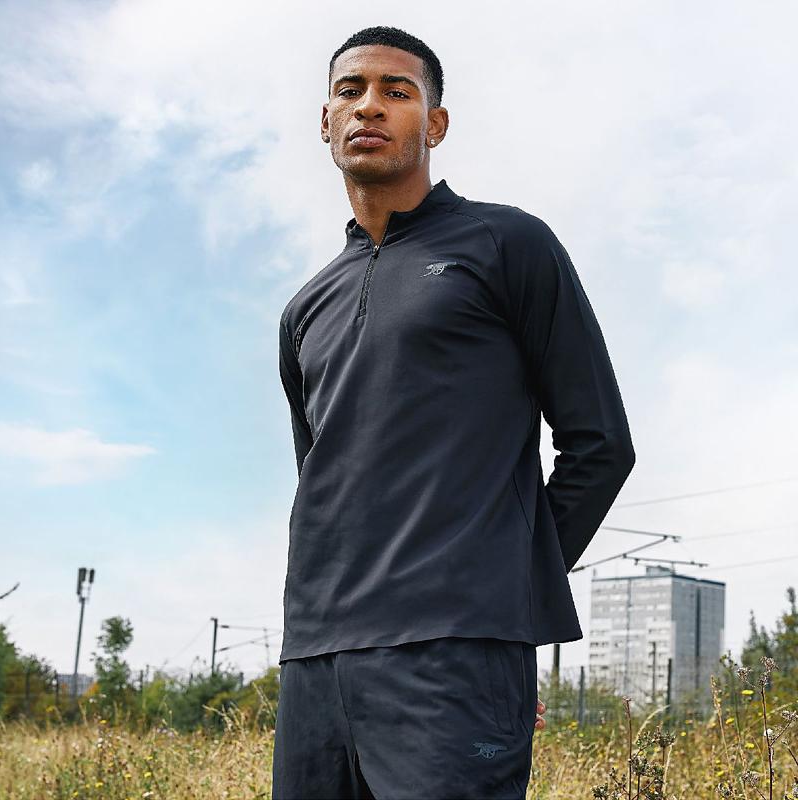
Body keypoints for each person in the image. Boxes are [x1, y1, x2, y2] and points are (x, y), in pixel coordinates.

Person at [272, 25, 635, 800]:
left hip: (455, 650)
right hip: (315, 657)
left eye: (397, 91)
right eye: (350, 90)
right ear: (325, 122)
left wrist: (501, 596)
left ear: (434, 124)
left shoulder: (509, 244)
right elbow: (320, 477)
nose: (370, 106)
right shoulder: (305, 308)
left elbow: (601, 444)